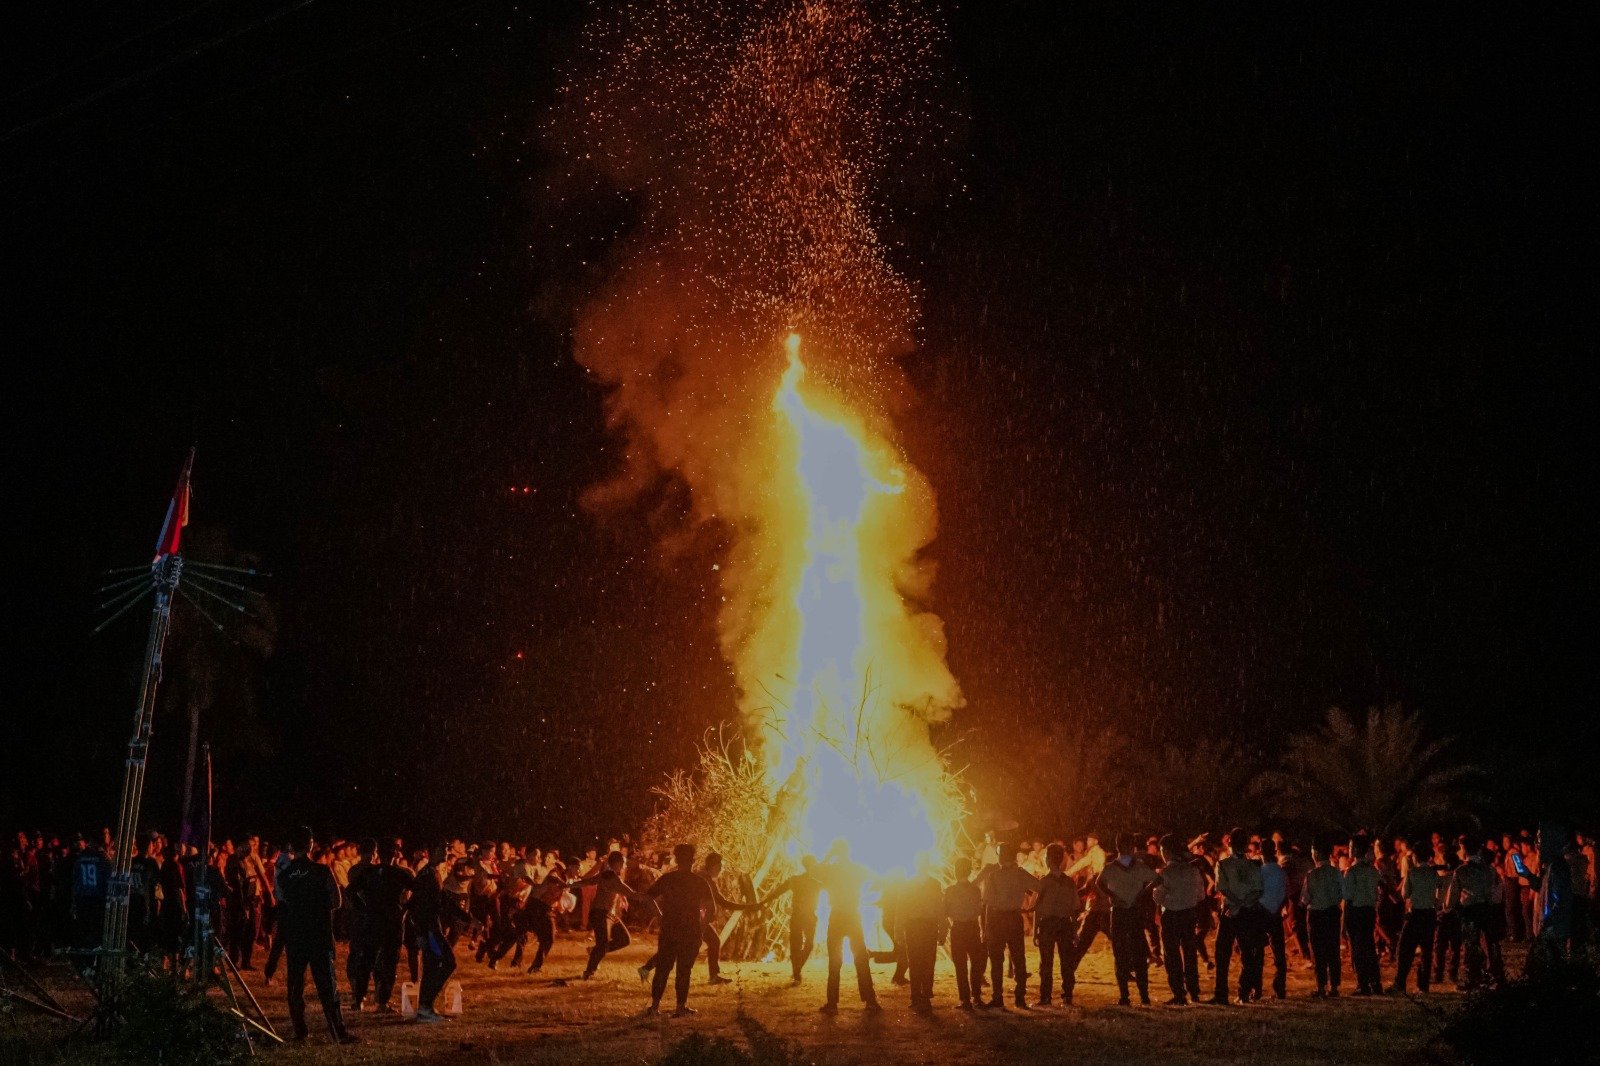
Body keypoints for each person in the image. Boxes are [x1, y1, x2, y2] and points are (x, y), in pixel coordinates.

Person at [276, 827, 356, 1044]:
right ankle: (338, 1032)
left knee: (295, 986)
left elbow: (282, 905)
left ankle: (300, 1031)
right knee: (327, 986)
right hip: (319, 934)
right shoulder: (322, 871)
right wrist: (318, 906)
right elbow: (337, 901)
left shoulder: (284, 876)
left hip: (296, 937)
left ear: (291, 846)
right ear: (310, 844)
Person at [644, 843, 716, 1016]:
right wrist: (702, 927)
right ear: (693, 860)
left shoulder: (667, 879)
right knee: (684, 970)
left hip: (669, 928)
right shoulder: (699, 882)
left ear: (676, 859)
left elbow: (647, 897)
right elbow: (711, 907)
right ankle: (679, 1007)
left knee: (662, 968)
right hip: (690, 930)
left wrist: (659, 915)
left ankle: (654, 1007)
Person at [346, 839, 414, 1013]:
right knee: (389, 962)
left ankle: (358, 1000)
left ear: (379, 854)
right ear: (394, 854)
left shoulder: (369, 872)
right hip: (392, 921)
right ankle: (382, 1002)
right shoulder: (400, 873)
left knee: (366, 960)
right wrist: (405, 908)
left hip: (372, 920)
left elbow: (350, 891)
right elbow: (418, 891)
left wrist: (363, 907)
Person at [814, 840, 881, 1015]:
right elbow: (877, 878)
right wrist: (864, 894)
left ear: (836, 851)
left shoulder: (831, 869)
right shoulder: (856, 868)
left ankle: (832, 1004)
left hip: (837, 915)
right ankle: (870, 1000)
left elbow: (814, 872)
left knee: (835, 960)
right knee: (861, 958)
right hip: (852, 914)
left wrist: (828, 856)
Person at [976, 840, 1040, 1010]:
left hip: (997, 919)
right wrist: (1032, 906)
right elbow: (1040, 887)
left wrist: (986, 927)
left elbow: (987, 903)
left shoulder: (994, 875)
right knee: (1019, 958)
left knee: (996, 960)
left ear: (1001, 856)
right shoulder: (1020, 873)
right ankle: (1020, 998)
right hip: (1014, 918)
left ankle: (997, 997)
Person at [1097, 834, 1157, 1006]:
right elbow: (1157, 879)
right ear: (1131, 847)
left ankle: (1125, 996)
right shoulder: (1137, 866)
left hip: (1120, 912)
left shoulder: (1111, 868)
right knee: (1137, 953)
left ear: (1117, 847)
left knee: (1121, 953)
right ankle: (1143, 996)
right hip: (1132, 912)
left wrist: (1113, 895)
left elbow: (1099, 883)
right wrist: (1141, 894)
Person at [1211, 828, 1264, 1005]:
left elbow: (1222, 889)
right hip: (1248, 912)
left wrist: (1235, 905)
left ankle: (1221, 994)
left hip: (1229, 911)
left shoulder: (1223, 864)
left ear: (1229, 843)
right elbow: (1258, 891)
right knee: (1247, 954)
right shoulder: (1254, 865)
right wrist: (1243, 904)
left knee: (1222, 954)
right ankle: (1244, 993)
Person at [1153, 834, 1205, 1005]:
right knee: (1190, 953)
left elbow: (1157, 897)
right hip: (1189, 914)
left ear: (1167, 851)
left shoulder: (1166, 872)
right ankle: (1194, 991)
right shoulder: (1192, 870)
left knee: (1172, 956)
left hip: (1171, 915)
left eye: (1162, 850)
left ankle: (1179, 993)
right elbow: (1201, 895)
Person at [1447, 841, 1506, 990]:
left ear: (1464, 850)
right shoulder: (1489, 869)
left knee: (1471, 945)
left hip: (1470, 912)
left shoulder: (1461, 871)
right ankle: (1495, 976)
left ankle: (1473, 978)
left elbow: (1452, 896)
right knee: (1490, 943)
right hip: (1487, 909)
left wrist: (1448, 907)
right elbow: (1496, 892)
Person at [408, 844, 457, 1023]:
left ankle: (425, 1007)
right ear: (432, 852)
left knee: (434, 965)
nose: (445, 853)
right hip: (429, 930)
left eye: (446, 850)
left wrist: (467, 918)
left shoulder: (433, 873)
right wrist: (422, 932)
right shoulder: (426, 875)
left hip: (431, 929)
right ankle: (425, 1007)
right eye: (442, 850)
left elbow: (443, 898)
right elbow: (417, 904)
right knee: (445, 962)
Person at [758, 855, 823, 985]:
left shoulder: (815, 882)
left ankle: (797, 970)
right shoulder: (800, 881)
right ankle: (797, 974)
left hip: (806, 916)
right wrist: (763, 902)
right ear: (810, 865)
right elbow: (778, 891)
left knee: (805, 945)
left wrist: (764, 901)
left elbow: (778, 891)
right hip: (801, 916)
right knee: (798, 945)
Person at [1032, 842, 1082, 1008]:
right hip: (1065, 924)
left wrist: (1035, 931)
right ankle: (1067, 996)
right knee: (1066, 962)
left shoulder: (1043, 882)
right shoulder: (1069, 882)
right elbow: (1075, 908)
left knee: (1046, 963)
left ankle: (1045, 997)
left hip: (1048, 924)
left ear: (1047, 859)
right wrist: (1074, 930)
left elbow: (1037, 909)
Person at [581, 852, 644, 978]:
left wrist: (623, 897)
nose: (625, 866)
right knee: (602, 944)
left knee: (624, 939)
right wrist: (647, 897)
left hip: (610, 914)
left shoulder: (613, 875)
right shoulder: (608, 875)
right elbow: (588, 881)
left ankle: (594, 952)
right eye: (623, 863)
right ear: (617, 863)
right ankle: (589, 971)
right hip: (600, 913)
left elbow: (617, 889)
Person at [1390, 838, 1439, 994]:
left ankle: (1400, 982)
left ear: (1415, 856)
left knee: (1404, 948)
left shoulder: (1412, 873)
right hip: (1430, 914)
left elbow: (1405, 894)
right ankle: (1423, 985)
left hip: (1415, 913)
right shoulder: (1433, 873)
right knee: (1426, 950)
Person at [899, 858, 944, 1014]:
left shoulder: (909, 884)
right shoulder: (934, 883)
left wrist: (898, 929)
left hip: (914, 926)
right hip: (929, 926)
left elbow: (902, 908)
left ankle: (916, 996)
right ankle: (925, 996)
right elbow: (940, 908)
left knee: (914, 961)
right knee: (928, 962)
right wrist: (943, 929)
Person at [1302, 837, 1344, 997]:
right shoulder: (1336, 873)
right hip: (1332, 913)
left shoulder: (1311, 874)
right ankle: (1334, 987)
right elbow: (1343, 893)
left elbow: (1305, 898)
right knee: (1333, 949)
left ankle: (1321, 986)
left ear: (1317, 853)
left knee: (1318, 951)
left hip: (1316, 915)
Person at [1343, 835, 1384, 996]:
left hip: (1355, 911)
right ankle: (1375, 982)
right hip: (1369, 911)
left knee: (1358, 949)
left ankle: (1363, 984)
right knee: (1369, 947)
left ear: (1356, 849)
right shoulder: (1373, 870)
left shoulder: (1351, 871)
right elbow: (1379, 888)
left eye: (1351, 846)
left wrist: (1344, 920)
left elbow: (1348, 897)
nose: (1349, 849)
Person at [943, 855, 985, 1010]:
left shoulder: (950, 891)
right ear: (968, 871)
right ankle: (977, 996)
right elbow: (980, 910)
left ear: (955, 871)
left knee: (960, 965)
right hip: (973, 928)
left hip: (958, 929)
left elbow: (945, 911)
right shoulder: (975, 890)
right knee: (976, 963)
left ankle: (965, 999)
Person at [1255, 839, 1289, 1000]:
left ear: (1261, 852)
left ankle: (1257, 989)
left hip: (1261, 914)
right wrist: (1278, 909)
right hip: (1276, 914)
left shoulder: (1260, 872)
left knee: (1257, 953)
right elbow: (1285, 894)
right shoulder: (1281, 872)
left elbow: (1256, 893)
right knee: (1279, 954)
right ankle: (1280, 988)